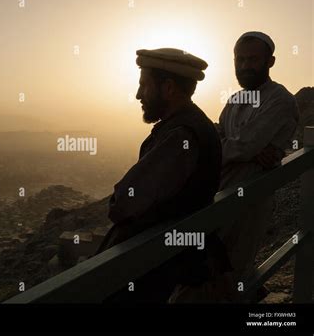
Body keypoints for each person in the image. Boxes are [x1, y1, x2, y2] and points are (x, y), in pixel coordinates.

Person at [170, 31, 300, 302]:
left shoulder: (280, 100)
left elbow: (240, 146)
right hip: (219, 193)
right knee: (204, 269)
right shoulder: (235, 100)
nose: (244, 66)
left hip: (250, 200)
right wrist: (245, 149)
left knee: (232, 271)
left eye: (252, 59)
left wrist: (243, 150)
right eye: (239, 59)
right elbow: (225, 141)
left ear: (270, 61)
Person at [93, 48, 228, 303]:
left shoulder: (180, 136)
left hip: (156, 265)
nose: (138, 95)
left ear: (168, 88)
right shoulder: (194, 124)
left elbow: (123, 205)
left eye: (144, 85)